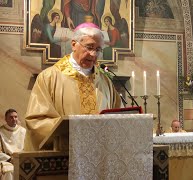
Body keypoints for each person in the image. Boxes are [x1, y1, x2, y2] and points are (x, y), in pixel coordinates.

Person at [25, 22, 122, 150]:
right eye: (89, 47)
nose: (94, 54)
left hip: (101, 154)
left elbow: (119, 117)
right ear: (74, 44)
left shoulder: (105, 81)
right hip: (65, 156)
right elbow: (36, 120)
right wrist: (75, 130)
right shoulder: (49, 77)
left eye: (98, 49)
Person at [0, 109, 26, 180]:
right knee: (9, 170)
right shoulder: (1, 131)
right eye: (11, 117)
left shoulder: (23, 131)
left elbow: (27, 148)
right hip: (6, 160)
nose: (14, 119)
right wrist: (10, 159)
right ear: (6, 119)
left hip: (21, 159)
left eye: (15, 117)